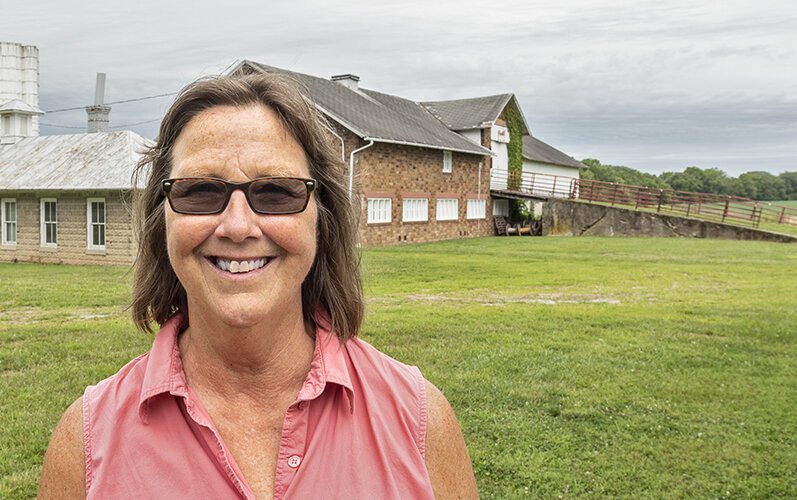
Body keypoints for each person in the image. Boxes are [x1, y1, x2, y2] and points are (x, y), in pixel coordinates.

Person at [37, 73, 478, 499]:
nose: (237, 225)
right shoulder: (86, 443)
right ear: (162, 221)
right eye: (199, 191)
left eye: (276, 193)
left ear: (321, 221)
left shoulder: (420, 420)